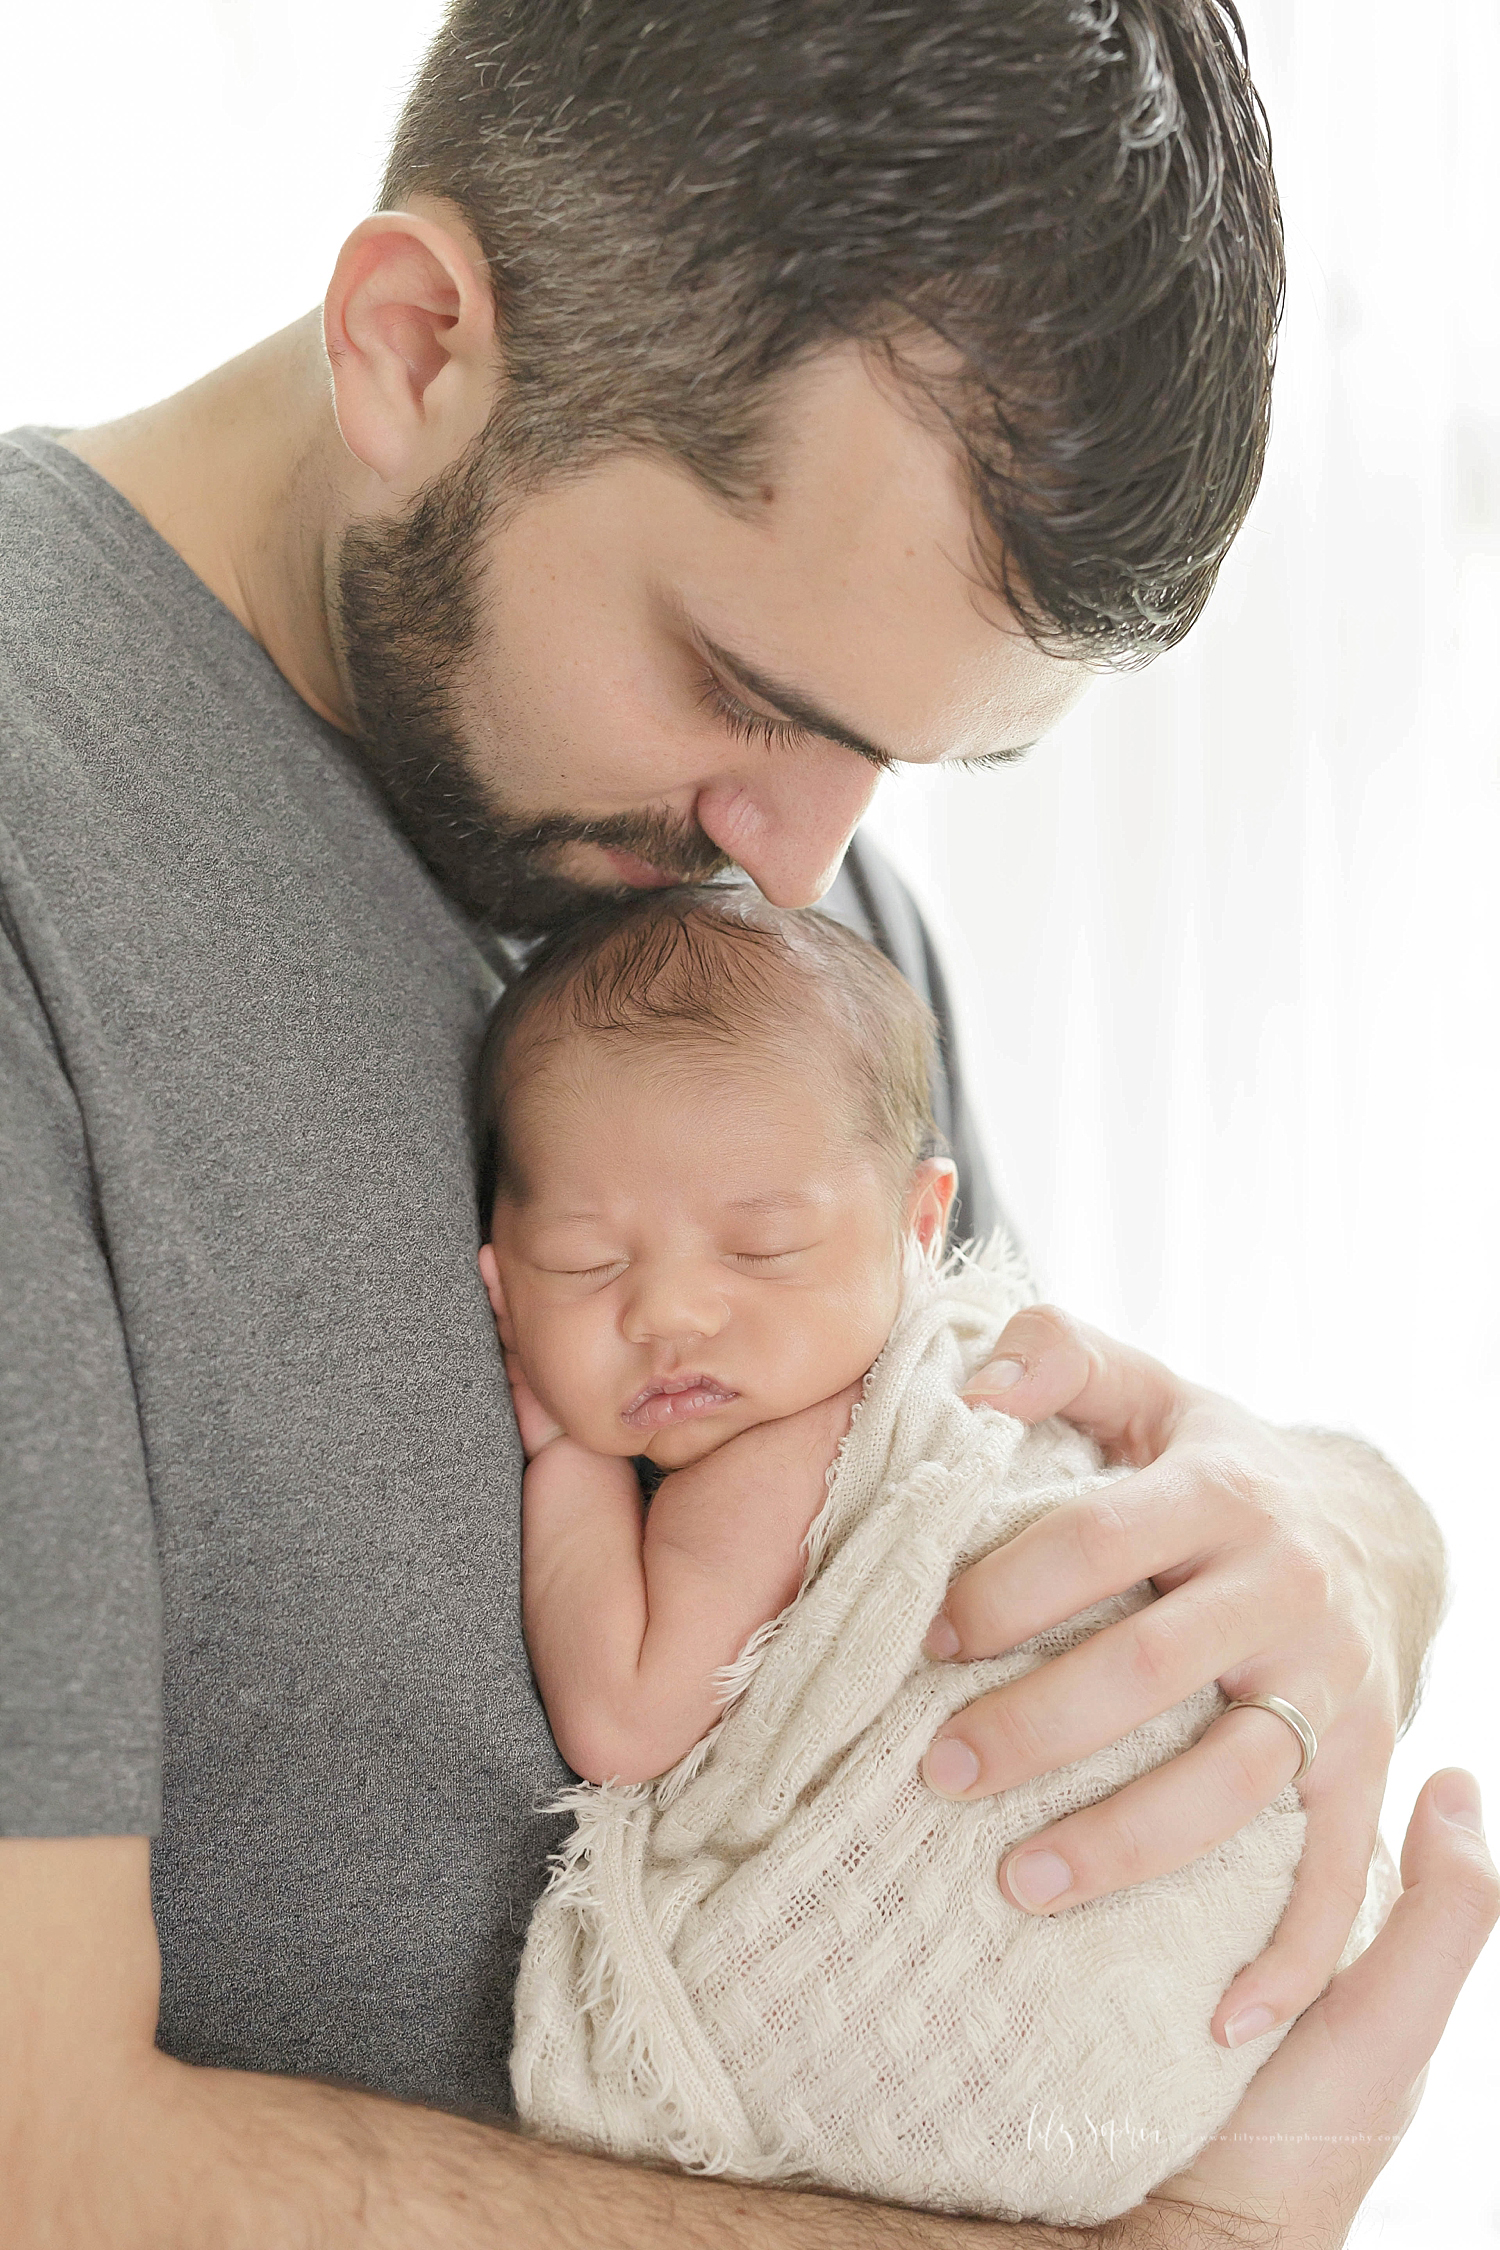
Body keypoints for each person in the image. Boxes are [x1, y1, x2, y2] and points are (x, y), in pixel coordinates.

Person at [0, 2, 1491, 2244]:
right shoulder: (40, 847)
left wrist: (1341, 1536)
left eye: (904, 760)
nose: (794, 859)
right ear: (414, 344)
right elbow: (39, 2154)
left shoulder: (759, 903)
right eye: (741, 689)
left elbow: (948, 1590)